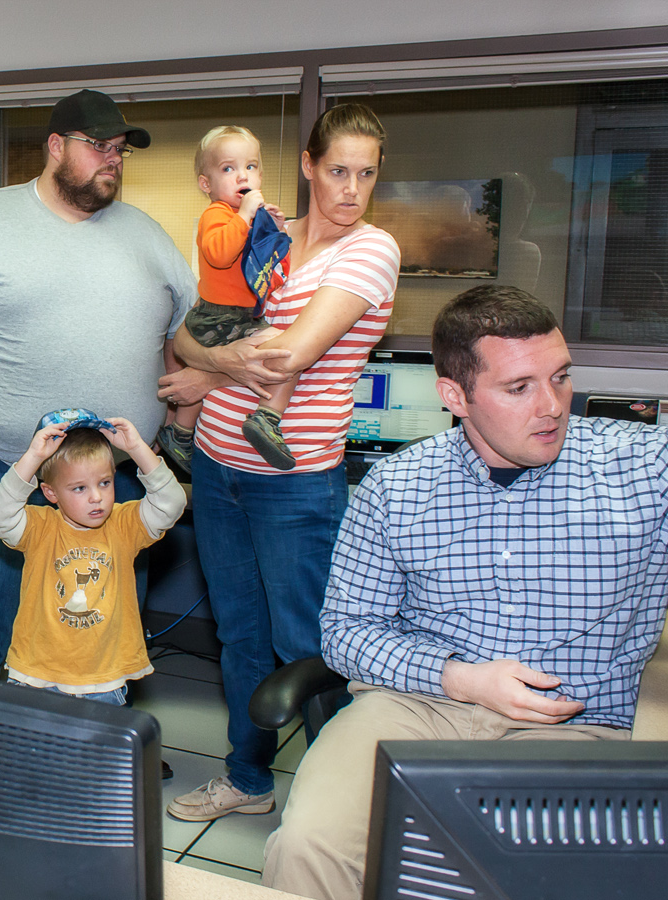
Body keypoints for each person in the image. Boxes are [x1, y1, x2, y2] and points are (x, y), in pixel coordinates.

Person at [261, 285, 668, 900]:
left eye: (560, 378)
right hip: (416, 706)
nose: (553, 406)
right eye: (519, 387)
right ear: (455, 396)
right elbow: (346, 634)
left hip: (571, 725)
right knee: (307, 848)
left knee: (525, 880)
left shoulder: (641, 469)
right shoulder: (396, 486)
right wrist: (461, 679)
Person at [0, 88, 194, 678]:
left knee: (105, 622)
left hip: (113, 476)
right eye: (98, 146)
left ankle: (95, 753)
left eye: (120, 150)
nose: (112, 159)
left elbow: (180, 338)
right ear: (55, 146)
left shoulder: (147, 234)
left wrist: (164, 429)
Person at [159, 103, 400, 822]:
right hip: (214, 468)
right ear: (306, 166)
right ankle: (247, 779)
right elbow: (188, 326)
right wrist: (208, 365)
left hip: (293, 484)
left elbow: (293, 353)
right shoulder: (267, 234)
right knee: (239, 637)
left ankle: (341, 808)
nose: (351, 190)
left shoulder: (371, 250)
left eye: (365, 174)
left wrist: (206, 372)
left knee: (308, 647)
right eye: (336, 171)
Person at [0, 410, 186, 704]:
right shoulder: (41, 527)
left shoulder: (124, 524)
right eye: (79, 488)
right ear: (50, 493)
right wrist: (32, 458)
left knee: (95, 752)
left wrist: (137, 449)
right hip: (36, 674)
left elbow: (172, 503)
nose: (96, 497)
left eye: (104, 483)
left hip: (103, 679)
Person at [159, 126, 297, 473]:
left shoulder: (248, 220)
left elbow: (273, 270)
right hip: (217, 315)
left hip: (242, 316)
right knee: (286, 350)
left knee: (205, 369)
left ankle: (180, 432)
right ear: (206, 184)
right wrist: (245, 216)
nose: (242, 176)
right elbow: (220, 254)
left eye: (250, 167)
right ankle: (267, 417)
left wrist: (277, 233)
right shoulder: (216, 216)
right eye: (228, 169)